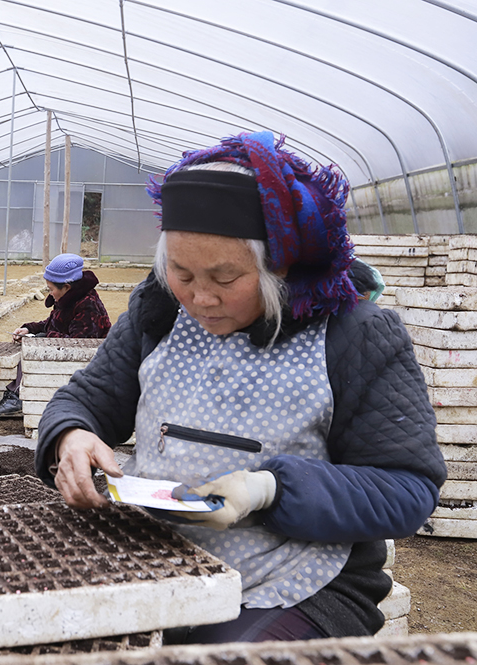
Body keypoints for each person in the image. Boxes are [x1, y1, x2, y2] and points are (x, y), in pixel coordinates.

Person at [33, 132, 445, 644]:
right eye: (181, 272)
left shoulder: (353, 335)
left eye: (225, 278)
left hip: (293, 579)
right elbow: (88, 398)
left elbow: (407, 488)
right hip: (156, 552)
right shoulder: (158, 311)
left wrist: (268, 489)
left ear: (281, 262)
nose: (200, 297)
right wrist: (70, 435)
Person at [0, 253, 111, 418]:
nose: (50, 294)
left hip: (90, 366)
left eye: (51, 289)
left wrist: (42, 338)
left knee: (35, 346)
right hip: (72, 358)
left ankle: (18, 397)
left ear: (66, 287)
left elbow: (80, 344)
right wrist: (30, 329)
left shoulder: (88, 306)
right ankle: (18, 393)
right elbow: (54, 322)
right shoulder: (70, 298)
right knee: (36, 339)